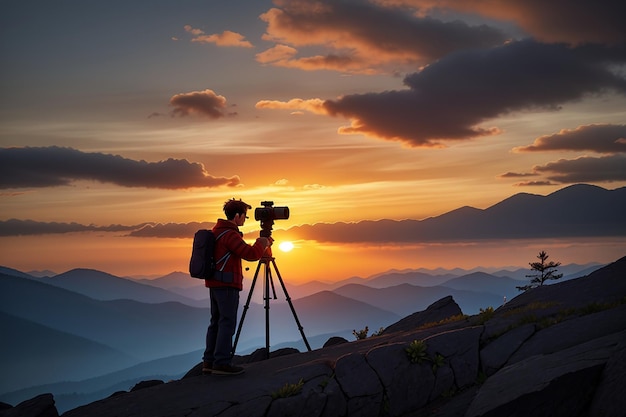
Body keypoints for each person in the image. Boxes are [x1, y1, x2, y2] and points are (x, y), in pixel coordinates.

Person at [203, 198, 270, 376]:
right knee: (227, 323)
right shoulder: (230, 234)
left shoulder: (217, 231)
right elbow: (250, 254)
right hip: (226, 284)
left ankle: (209, 361)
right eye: (244, 217)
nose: (245, 220)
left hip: (214, 283)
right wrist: (262, 242)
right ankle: (222, 363)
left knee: (215, 322)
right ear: (238, 215)